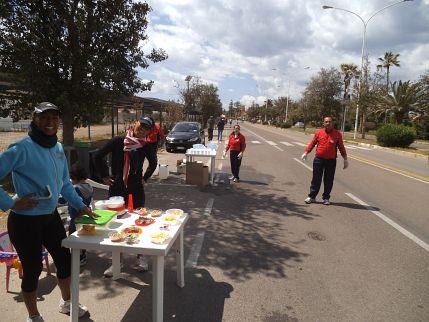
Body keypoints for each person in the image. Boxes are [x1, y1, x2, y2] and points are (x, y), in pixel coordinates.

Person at [0, 102, 99, 322]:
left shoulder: (57, 148)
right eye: (44, 117)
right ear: (35, 119)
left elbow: (64, 184)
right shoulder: (21, 148)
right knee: (33, 269)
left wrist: (81, 205)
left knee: (65, 262)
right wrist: (9, 202)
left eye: (54, 118)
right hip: (25, 222)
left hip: (50, 217)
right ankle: (33, 316)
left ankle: (66, 303)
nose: (50, 122)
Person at [93, 115, 155, 277]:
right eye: (141, 125)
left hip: (136, 187)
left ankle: (141, 257)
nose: (142, 129)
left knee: (141, 221)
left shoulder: (146, 145)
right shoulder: (118, 141)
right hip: (117, 187)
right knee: (116, 223)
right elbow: (98, 156)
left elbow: (153, 162)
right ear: (135, 123)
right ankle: (116, 261)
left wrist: (145, 177)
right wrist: (104, 176)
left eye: (146, 128)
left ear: (149, 131)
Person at [301, 116, 349, 205]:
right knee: (316, 179)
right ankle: (312, 197)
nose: (328, 123)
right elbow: (312, 143)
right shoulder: (319, 132)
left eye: (330, 122)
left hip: (331, 161)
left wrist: (345, 159)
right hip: (319, 160)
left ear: (332, 123)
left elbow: (341, 147)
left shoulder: (337, 134)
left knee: (329, 180)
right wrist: (306, 152)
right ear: (323, 123)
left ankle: (326, 198)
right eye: (326, 122)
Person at [64, 163, 93, 266]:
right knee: (82, 238)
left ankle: (78, 257)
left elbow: (65, 198)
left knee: (74, 238)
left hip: (75, 218)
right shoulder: (89, 187)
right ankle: (83, 254)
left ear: (74, 177)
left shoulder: (75, 188)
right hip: (85, 216)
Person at [144, 117, 165, 182]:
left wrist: (162, 142)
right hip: (145, 143)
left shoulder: (157, 127)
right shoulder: (144, 127)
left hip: (154, 144)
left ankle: (145, 178)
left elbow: (162, 135)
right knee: (140, 161)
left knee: (153, 161)